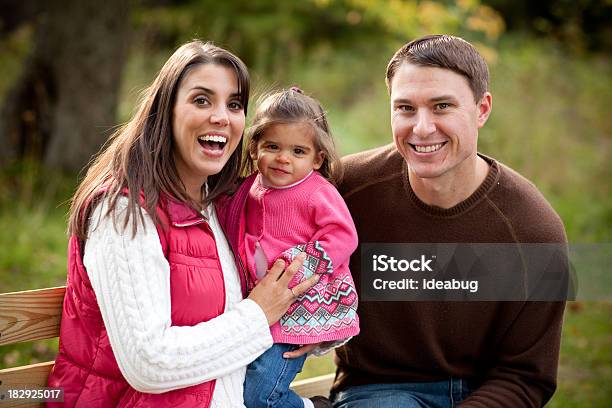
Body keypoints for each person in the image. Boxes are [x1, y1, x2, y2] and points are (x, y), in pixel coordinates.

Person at [46, 40, 318, 408]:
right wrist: (258, 315)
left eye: (234, 104)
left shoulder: (219, 204)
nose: (221, 116)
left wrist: (315, 327)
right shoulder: (123, 212)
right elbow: (149, 363)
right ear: (165, 112)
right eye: (202, 100)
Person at [330, 35, 567, 407]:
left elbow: (525, 377)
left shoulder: (531, 230)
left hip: (486, 392)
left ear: (482, 108)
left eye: (442, 106)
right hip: (380, 389)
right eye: (405, 108)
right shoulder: (343, 192)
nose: (422, 128)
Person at [216, 87, 359, 408]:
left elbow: (342, 235)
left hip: (297, 309)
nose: (283, 158)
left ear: (317, 158)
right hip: (258, 308)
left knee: (260, 395)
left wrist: (300, 266)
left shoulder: (315, 192)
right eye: (272, 146)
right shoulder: (248, 189)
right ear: (254, 148)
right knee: (242, 385)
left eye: (297, 151)